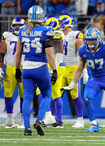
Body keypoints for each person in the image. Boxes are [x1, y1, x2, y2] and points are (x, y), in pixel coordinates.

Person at [15, 5, 57, 136]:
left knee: (27, 98)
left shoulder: (22, 30)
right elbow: (49, 54)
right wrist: (54, 70)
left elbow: (17, 53)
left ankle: (27, 129)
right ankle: (39, 120)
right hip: (41, 68)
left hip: (26, 68)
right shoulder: (46, 30)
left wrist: (17, 69)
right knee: (47, 95)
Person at [58, 14, 86, 128]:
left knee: (75, 94)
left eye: (60, 22)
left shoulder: (76, 35)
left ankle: (80, 120)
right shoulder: (57, 34)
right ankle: (57, 120)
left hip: (73, 68)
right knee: (56, 94)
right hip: (60, 67)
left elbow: (83, 54)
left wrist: (84, 70)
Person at [0, 17, 25, 128]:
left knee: (24, 95)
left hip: (25, 68)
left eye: (20, 25)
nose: (17, 27)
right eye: (15, 25)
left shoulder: (28, 36)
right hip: (10, 67)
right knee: (8, 93)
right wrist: (0, 68)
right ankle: (10, 119)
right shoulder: (7, 35)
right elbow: (2, 53)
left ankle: (24, 120)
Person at [42, 15, 64, 128]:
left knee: (55, 93)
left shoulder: (57, 35)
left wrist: (53, 68)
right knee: (51, 93)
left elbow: (59, 53)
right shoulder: (53, 34)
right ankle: (52, 118)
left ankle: (58, 120)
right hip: (55, 65)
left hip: (57, 65)